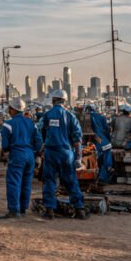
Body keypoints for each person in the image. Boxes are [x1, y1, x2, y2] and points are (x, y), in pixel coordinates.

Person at [36, 90, 85, 219]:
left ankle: (50, 210)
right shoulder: (70, 116)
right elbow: (77, 139)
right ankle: (79, 209)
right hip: (66, 154)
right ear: (65, 101)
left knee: (50, 181)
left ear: (53, 100)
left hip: (51, 153)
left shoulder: (47, 116)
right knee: (71, 181)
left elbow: (41, 134)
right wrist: (78, 158)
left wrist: (40, 152)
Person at [0, 98, 43, 219]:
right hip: (30, 156)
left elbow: (5, 145)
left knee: (14, 182)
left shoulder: (8, 125)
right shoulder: (31, 123)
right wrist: (36, 153)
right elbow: (38, 140)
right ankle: (23, 209)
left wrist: (6, 151)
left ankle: (14, 210)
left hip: (17, 155)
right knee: (26, 183)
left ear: (12, 110)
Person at [85, 103, 114, 184]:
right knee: (105, 159)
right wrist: (109, 140)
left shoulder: (84, 117)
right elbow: (106, 130)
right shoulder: (101, 117)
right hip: (103, 143)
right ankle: (103, 177)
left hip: (90, 144)